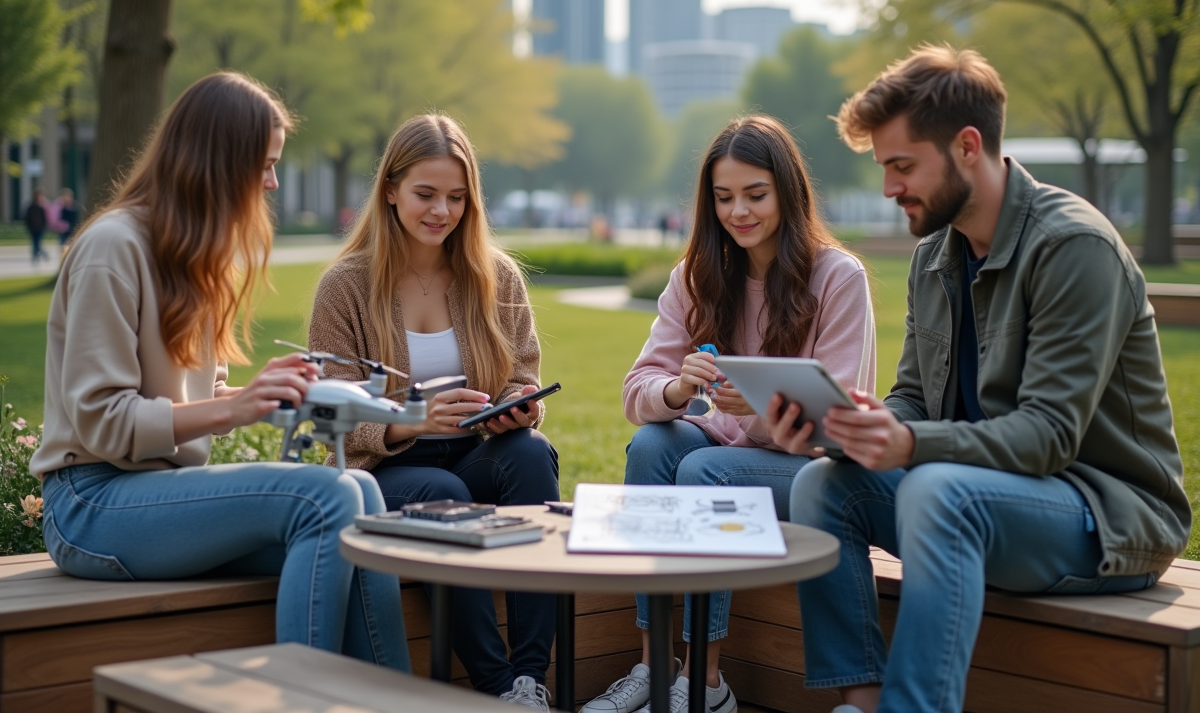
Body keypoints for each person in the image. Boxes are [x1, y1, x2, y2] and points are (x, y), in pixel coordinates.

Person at [768, 46, 1190, 713]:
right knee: (824, 484)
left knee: (939, 489)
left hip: (1106, 518)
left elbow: (1048, 438)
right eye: (884, 168)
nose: (889, 188)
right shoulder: (935, 252)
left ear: (967, 146)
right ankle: (862, 701)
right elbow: (912, 397)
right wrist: (851, 427)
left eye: (902, 166)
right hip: (978, 501)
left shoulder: (1073, 247)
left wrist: (911, 447)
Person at [29, 71, 409, 671]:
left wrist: (266, 392)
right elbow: (102, 423)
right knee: (327, 497)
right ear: (215, 158)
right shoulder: (113, 248)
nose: (273, 181)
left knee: (360, 494)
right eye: (263, 163)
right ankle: (303, 701)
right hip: (91, 503)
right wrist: (235, 407)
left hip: (151, 494)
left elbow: (178, 401)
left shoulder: (192, 253)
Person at [584, 115, 876, 713]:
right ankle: (652, 664)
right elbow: (637, 388)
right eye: (723, 198)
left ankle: (705, 684)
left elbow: (837, 422)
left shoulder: (837, 278)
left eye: (755, 195)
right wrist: (673, 390)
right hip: (725, 458)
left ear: (787, 194)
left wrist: (762, 411)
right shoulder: (697, 277)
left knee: (703, 473)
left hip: (813, 472)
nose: (738, 211)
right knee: (652, 447)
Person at [309, 113, 560, 710]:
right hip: (386, 466)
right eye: (425, 194)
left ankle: (531, 678)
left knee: (530, 455)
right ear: (390, 189)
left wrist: (512, 410)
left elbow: (521, 373)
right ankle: (496, 687)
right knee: (442, 487)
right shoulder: (345, 286)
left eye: (456, 197)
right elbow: (327, 415)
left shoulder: (494, 276)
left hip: (477, 449)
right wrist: (409, 421)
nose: (441, 211)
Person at [23, 188, 48, 262]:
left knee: (37, 243)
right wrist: (28, 227)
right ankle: (37, 256)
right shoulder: (31, 207)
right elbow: (27, 218)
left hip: (40, 228)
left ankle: (39, 255)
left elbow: (44, 219)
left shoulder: (41, 207)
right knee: (35, 243)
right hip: (33, 228)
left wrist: (44, 227)